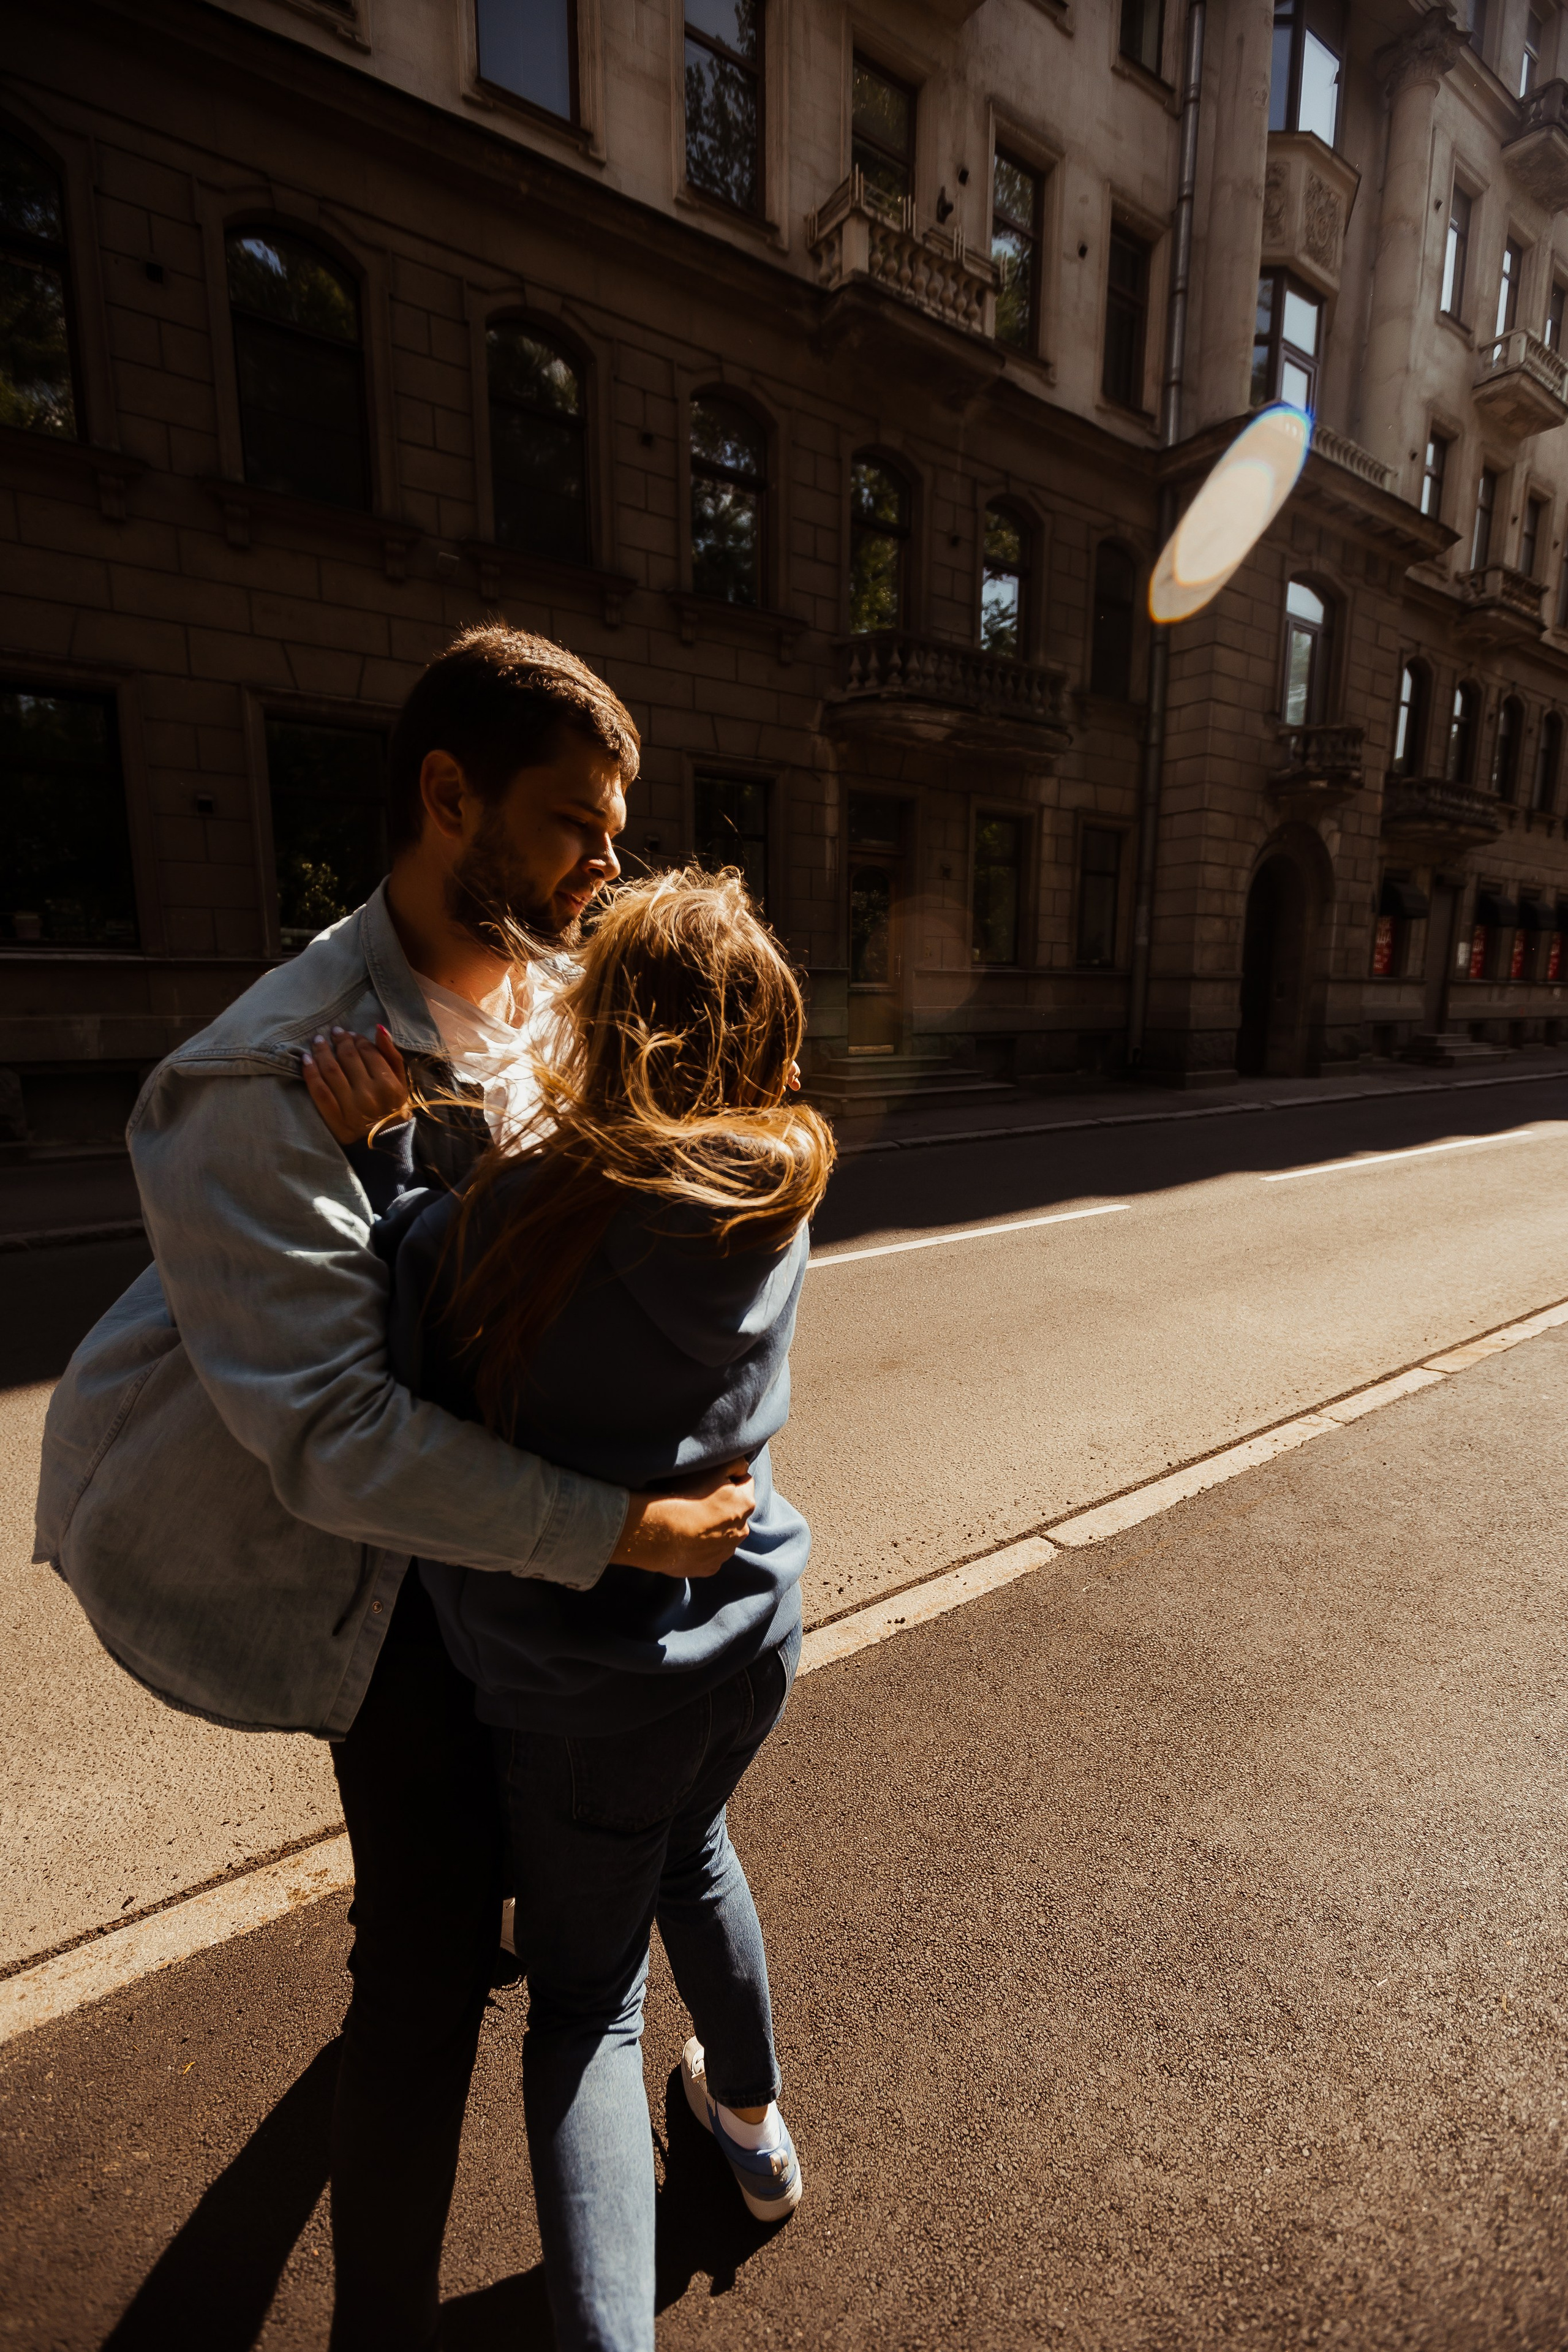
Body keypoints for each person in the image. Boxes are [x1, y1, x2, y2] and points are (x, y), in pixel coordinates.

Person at [33, 628, 754, 2352]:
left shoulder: (557, 992)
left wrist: (439, 1160)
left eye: (617, 825)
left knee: (537, 1887)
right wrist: (622, 1533)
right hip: (378, 1573)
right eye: (578, 823)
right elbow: (339, 1444)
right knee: (423, 1972)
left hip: (502, 1539)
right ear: (447, 799)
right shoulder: (257, 1079)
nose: (610, 865)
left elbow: (572, 1237)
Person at [311, 868, 832, 2352]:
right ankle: (749, 2126)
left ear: (606, 1027)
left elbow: (394, 1372)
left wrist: (383, 1151)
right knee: (698, 1850)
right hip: (749, 1640)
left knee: (587, 2011)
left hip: (587, 1692)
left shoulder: (511, 1218)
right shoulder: (779, 1176)